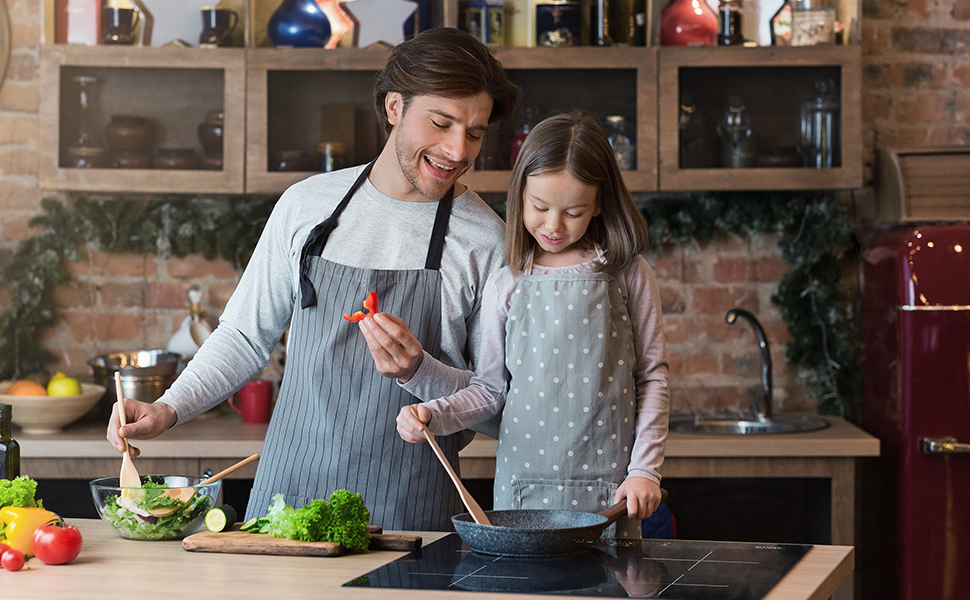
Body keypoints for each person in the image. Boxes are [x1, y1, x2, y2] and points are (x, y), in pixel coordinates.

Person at [106, 27, 522, 531]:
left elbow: (500, 408)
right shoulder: (307, 205)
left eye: (474, 133)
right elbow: (243, 336)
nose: (457, 150)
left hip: (410, 516)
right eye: (441, 123)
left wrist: (420, 371)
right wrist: (169, 408)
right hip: (288, 502)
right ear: (394, 107)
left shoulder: (486, 241)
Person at [397, 112, 670, 538]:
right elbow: (489, 391)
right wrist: (434, 414)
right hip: (521, 492)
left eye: (574, 212)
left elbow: (652, 378)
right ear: (520, 195)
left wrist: (644, 471)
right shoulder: (507, 283)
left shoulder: (628, 273)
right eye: (540, 208)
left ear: (599, 204)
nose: (554, 226)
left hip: (612, 492)